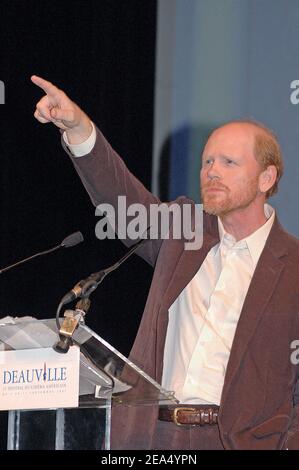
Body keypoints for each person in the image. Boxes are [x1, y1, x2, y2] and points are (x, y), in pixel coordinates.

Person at [31, 75, 299, 450]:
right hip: (151, 435)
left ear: (266, 178)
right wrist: (78, 128)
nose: (212, 171)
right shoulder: (183, 230)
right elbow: (123, 202)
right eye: (207, 161)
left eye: (228, 162)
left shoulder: (293, 268)